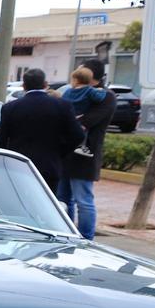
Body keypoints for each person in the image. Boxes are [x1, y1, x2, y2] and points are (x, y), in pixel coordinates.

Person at [0, 68, 87, 205]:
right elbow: (78, 135)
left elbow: (0, 141)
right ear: (45, 84)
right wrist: (60, 152)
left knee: (18, 204)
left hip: (17, 166)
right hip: (49, 165)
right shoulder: (62, 106)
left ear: (23, 86)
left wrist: (0, 165)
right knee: (46, 206)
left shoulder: (10, 107)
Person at [60, 63, 115, 240]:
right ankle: (65, 234)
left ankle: (86, 239)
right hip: (65, 152)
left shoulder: (105, 96)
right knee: (62, 199)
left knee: (83, 200)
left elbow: (88, 120)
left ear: (91, 75)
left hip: (85, 154)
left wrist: (72, 119)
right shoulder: (73, 91)